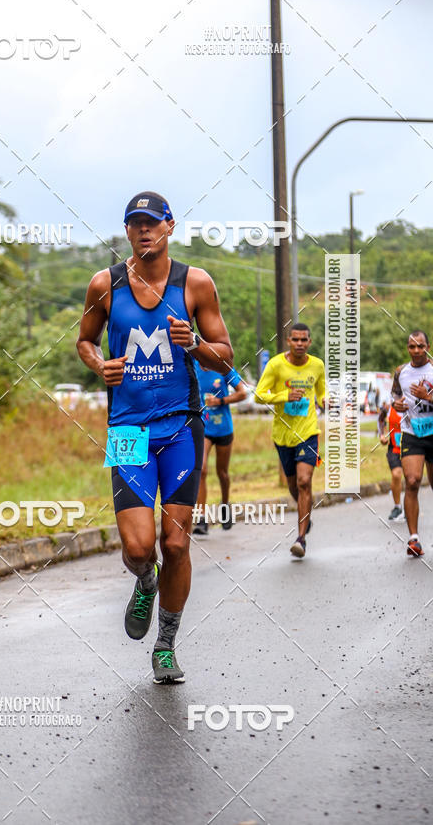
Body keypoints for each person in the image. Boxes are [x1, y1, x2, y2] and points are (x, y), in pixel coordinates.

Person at [76, 191, 233, 683]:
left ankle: (165, 644)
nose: (144, 230)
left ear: (170, 225)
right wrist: (99, 365)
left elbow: (225, 356)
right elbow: (84, 340)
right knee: (140, 546)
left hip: (182, 426)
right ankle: (146, 579)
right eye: (135, 223)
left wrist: (196, 344)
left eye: (152, 221)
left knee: (177, 544)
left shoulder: (195, 283)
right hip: (127, 430)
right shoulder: (105, 284)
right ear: (127, 231)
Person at [254, 323, 326, 558]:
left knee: (305, 482)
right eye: (295, 339)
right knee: (294, 486)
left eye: (304, 340)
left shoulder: (317, 365)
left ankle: (301, 539)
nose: (300, 344)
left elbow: (321, 391)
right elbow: (258, 396)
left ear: (310, 342)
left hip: (308, 432)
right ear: (288, 341)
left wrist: (326, 400)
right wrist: (285, 396)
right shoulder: (276, 365)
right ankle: (306, 515)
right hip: (283, 435)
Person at [390, 330, 433, 557]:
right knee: (413, 481)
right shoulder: (401, 372)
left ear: (428, 347)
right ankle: (413, 539)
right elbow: (395, 396)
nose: (416, 350)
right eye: (412, 346)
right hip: (412, 433)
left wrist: (428, 397)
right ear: (407, 348)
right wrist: (396, 405)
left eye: (421, 346)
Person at [193, 361, 246, 534]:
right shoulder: (192, 364)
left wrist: (220, 401)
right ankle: (201, 518)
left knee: (222, 473)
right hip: (204, 427)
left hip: (223, 428)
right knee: (201, 470)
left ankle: (225, 505)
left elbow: (242, 393)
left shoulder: (223, 366)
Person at [377, 400, 404, 521]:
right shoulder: (389, 404)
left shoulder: (413, 399)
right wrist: (381, 435)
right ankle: (397, 507)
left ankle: (410, 506)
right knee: (396, 474)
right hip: (394, 447)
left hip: (412, 445)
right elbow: (381, 418)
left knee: (412, 479)